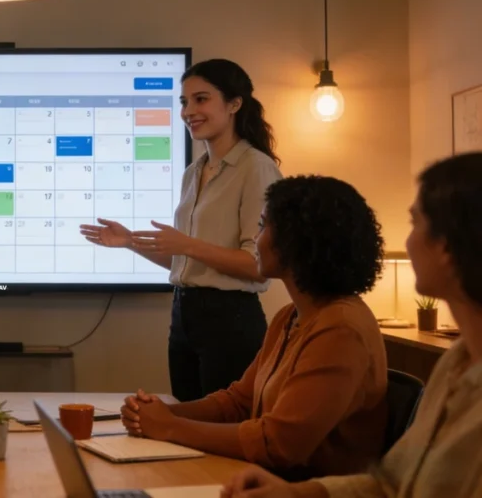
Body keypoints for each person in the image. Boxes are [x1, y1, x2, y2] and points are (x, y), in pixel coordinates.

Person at [221, 152, 482, 498]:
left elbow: (281, 444)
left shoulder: (341, 326)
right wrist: (295, 494)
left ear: (446, 247)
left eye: (414, 223)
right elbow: (389, 484)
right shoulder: (456, 363)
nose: (406, 241)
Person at [121, 175, 388, 480]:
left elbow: (277, 444)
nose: (255, 240)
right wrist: (162, 413)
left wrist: (169, 427)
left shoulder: (341, 329)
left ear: (294, 241)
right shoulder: (290, 316)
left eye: (261, 226)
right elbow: (238, 403)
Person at [81, 58, 283, 401]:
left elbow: (257, 265)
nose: (189, 111)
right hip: (185, 315)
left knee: (220, 430)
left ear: (234, 104)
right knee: (187, 424)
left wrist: (187, 245)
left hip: (230, 319)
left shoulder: (256, 168)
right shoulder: (194, 171)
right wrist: (131, 241)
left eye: (201, 99)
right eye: (184, 102)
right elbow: (186, 264)